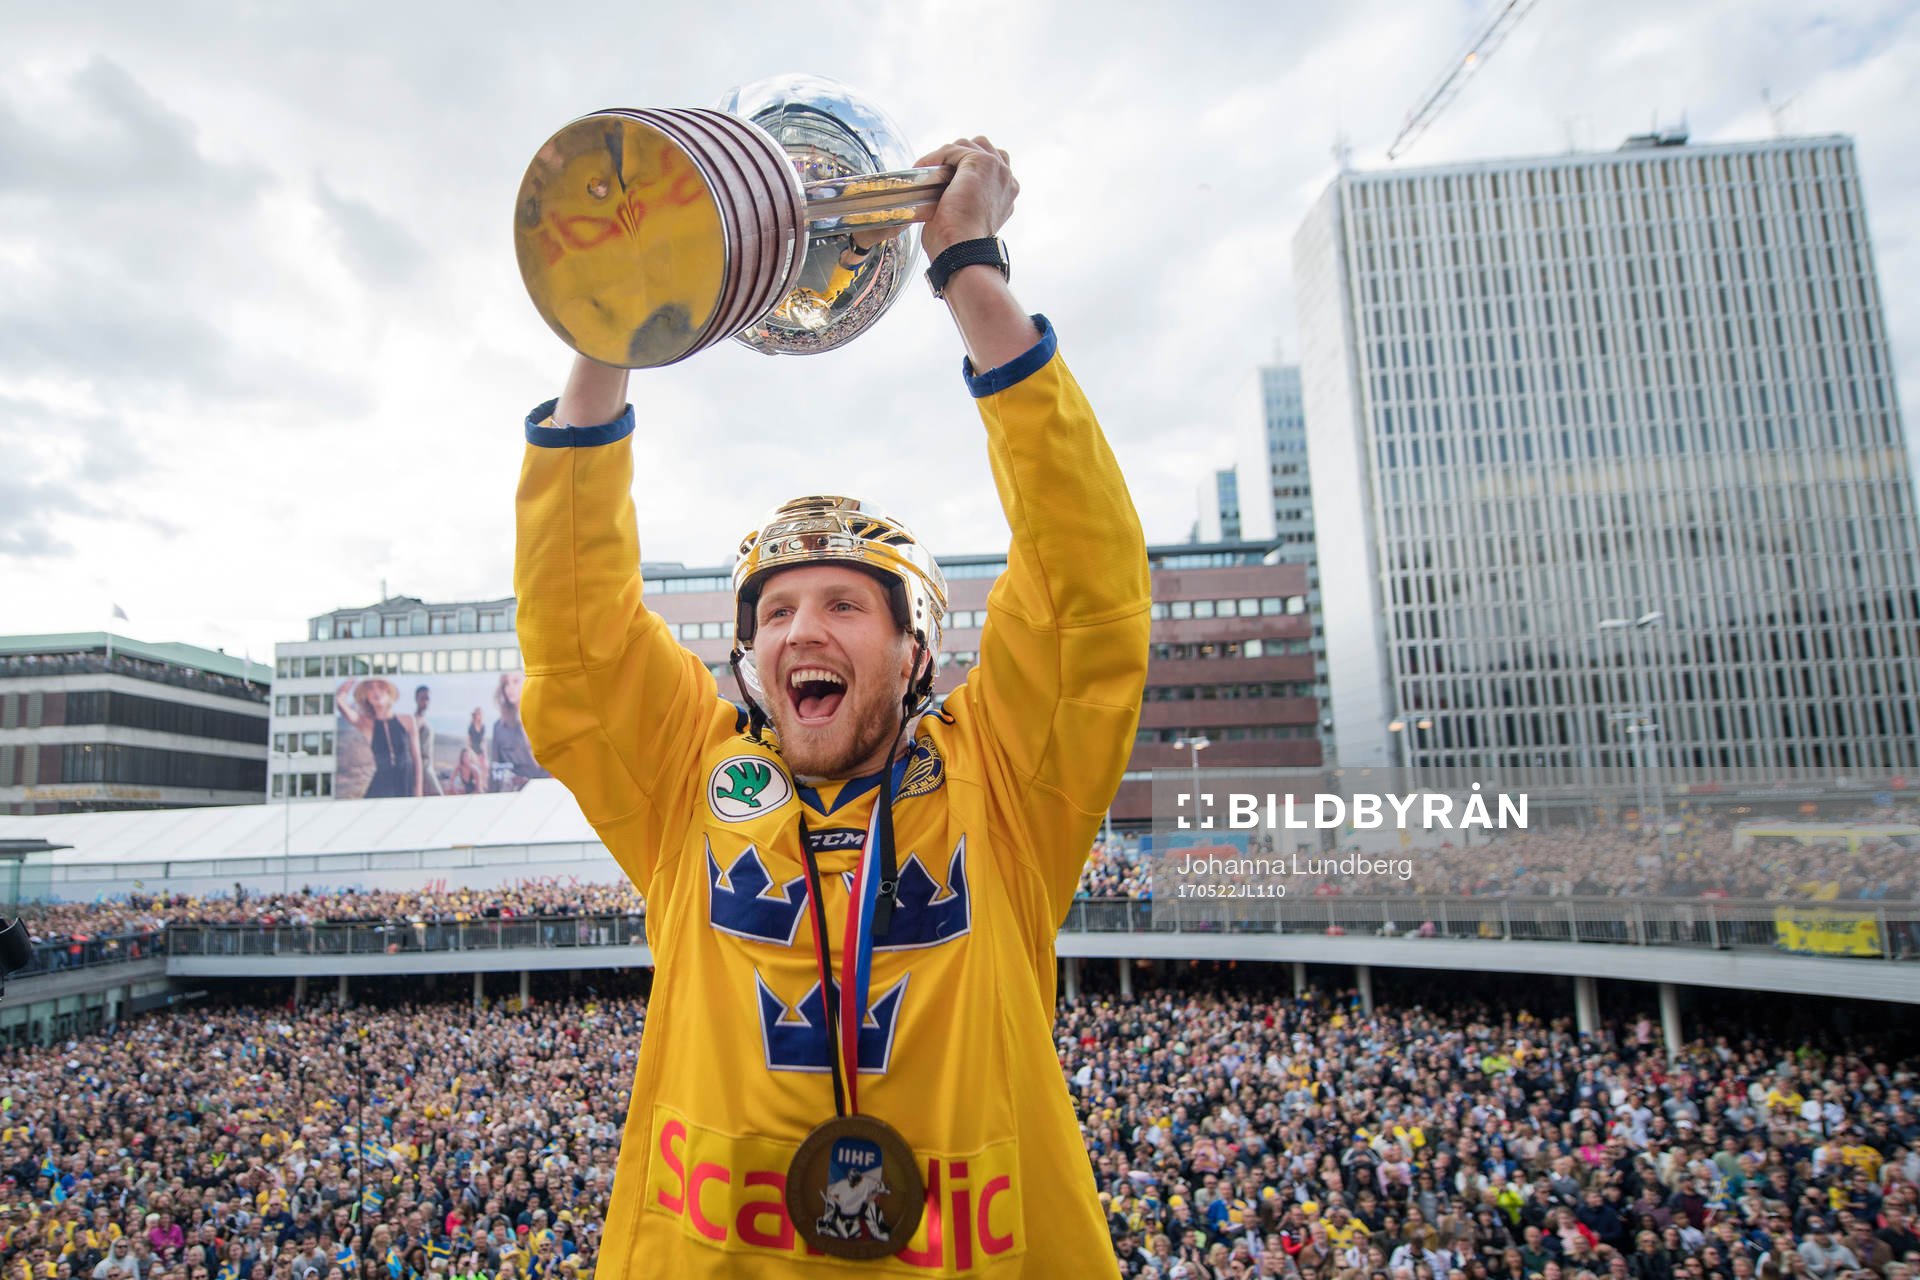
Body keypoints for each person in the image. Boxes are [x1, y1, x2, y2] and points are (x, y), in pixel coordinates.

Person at [514, 136, 1149, 1273]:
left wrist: (970, 271)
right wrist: (608, 326)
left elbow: (1090, 592)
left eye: (848, 605)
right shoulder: (687, 783)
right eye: (778, 611)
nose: (804, 628)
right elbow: (579, 637)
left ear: (915, 656)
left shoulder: (999, 782)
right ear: (753, 658)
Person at [335, 679, 420, 798]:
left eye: (380, 687)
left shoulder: (408, 720)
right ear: (366, 696)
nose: (376, 692)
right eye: (370, 688)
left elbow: (417, 759)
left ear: (388, 692)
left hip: (406, 783)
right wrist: (342, 693)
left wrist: (418, 793)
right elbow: (344, 709)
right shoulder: (365, 723)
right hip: (381, 787)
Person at [486, 673, 548, 793]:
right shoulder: (499, 728)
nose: (510, 688)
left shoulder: (547, 718)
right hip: (520, 795)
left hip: (554, 792)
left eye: (515, 681)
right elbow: (495, 769)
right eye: (506, 684)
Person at [414, 687, 444, 796]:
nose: (425, 702)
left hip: (428, 765)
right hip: (422, 766)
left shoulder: (423, 719)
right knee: (438, 795)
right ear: (416, 699)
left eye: (427, 699)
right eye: (422, 698)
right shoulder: (415, 720)